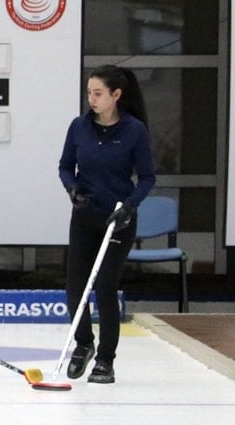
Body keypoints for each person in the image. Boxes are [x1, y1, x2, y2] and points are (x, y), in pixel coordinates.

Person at [57, 65, 156, 384]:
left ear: (116, 95)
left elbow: (147, 177)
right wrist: (72, 189)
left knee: (104, 286)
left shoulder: (134, 131)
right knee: (75, 286)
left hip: (118, 220)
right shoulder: (78, 127)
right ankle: (83, 344)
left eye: (98, 93)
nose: (92, 99)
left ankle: (105, 360)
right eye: (89, 92)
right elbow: (65, 167)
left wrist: (129, 207)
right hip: (85, 216)